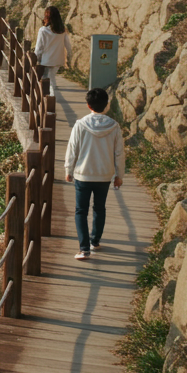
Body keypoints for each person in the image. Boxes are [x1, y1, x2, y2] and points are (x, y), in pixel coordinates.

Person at [63, 87, 125, 260]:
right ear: (106, 105)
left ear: (88, 104)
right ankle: (95, 241)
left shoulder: (80, 125)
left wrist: (69, 170)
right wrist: (119, 175)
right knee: (99, 208)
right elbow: (119, 152)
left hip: (83, 174)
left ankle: (84, 249)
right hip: (104, 175)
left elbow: (72, 150)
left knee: (80, 211)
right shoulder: (114, 126)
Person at [34, 5, 70, 97]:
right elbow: (68, 46)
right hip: (58, 60)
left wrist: (35, 58)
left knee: (47, 80)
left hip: (46, 60)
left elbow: (39, 47)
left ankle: (50, 101)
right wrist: (69, 58)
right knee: (51, 78)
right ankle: (49, 100)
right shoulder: (62, 30)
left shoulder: (43, 30)